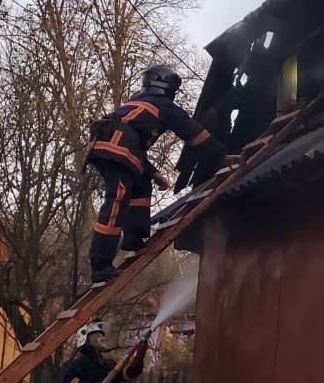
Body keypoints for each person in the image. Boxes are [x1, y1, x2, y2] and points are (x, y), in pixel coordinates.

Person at [85, 63, 230, 284]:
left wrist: (152, 173)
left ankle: (133, 239)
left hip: (113, 149)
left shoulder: (137, 103)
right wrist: (221, 156)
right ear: (168, 86)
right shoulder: (162, 105)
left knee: (141, 184)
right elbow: (195, 134)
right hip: (117, 151)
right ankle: (101, 264)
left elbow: (129, 140)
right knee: (116, 201)